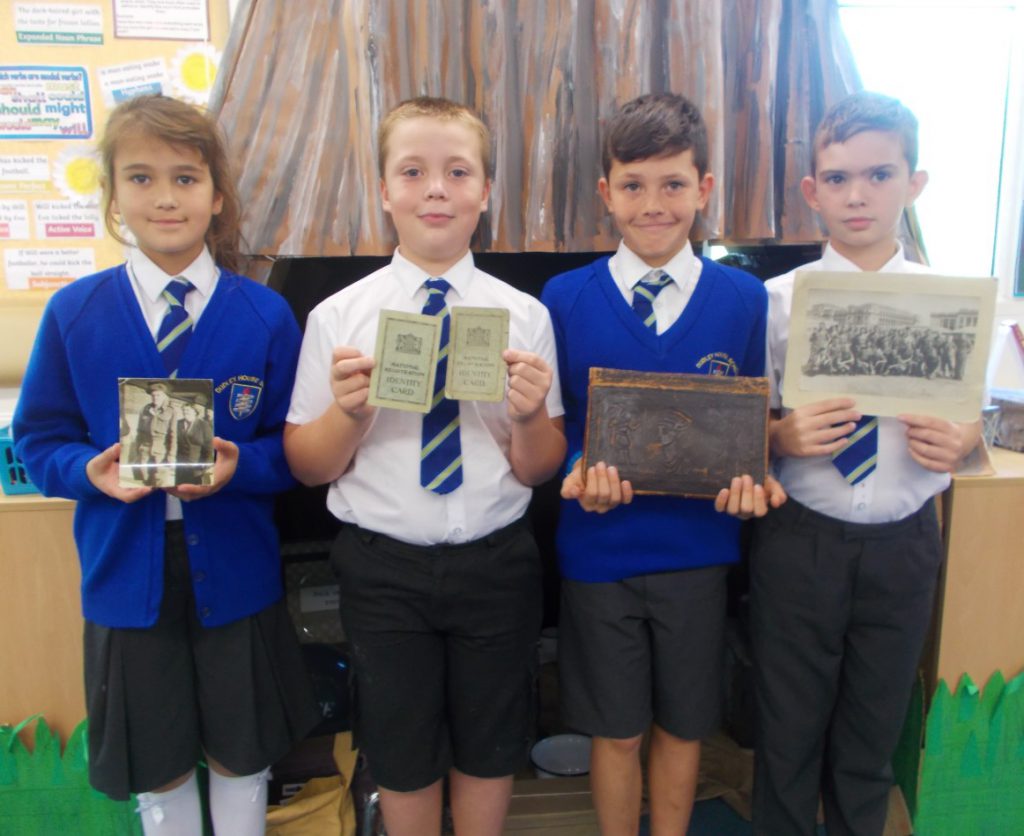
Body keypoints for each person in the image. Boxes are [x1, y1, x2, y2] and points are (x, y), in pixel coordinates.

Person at [12, 94, 318, 836]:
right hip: (125, 577)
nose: (165, 197)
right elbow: (39, 441)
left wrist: (242, 466)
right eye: (141, 178)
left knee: (242, 753)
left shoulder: (264, 315)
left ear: (217, 197)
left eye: (185, 178)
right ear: (113, 196)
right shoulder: (75, 313)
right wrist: (88, 472)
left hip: (238, 574)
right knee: (158, 762)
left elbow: (294, 447)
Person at [283, 96, 566, 836]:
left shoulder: (525, 317)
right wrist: (348, 414)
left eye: (458, 172)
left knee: (491, 742)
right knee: (400, 748)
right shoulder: (338, 318)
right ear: (383, 190)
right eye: (412, 172)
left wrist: (530, 416)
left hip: (496, 562)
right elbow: (307, 467)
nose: (436, 189)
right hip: (383, 570)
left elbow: (540, 469)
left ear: (486, 191)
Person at [540, 92, 784, 836]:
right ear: (606, 192)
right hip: (598, 554)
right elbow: (562, 424)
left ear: (703, 189)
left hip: (698, 554)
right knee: (615, 731)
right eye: (634, 185)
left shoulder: (743, 299)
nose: (653, 205)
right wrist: (578, 466)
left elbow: (751, 424)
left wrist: (755, 480)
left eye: (673, 184)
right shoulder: (563, 298)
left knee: (684, 726)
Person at [752, 91, 983, 836]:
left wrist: (965, 443)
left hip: (904, 543)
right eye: (839, 178)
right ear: (812, 190)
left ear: (914, 184)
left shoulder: (954, 306)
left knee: (872, 735)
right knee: (786, 733)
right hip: (800, 540)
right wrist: (779, 436)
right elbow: (743, 424)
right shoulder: (773, 303)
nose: (858, 195)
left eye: (880, 175)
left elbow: (973, 425)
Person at [132, 380, 176, 485]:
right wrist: (137, 450)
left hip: (161, 452)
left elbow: (173, 436)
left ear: (164, 396)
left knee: (159, 480)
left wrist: (171, 455)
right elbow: (139, 432)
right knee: (144, 479)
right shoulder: (145, 409)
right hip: (145, 450)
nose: (155, 398)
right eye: (153, 395)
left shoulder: (171, 412)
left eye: (158, 395)